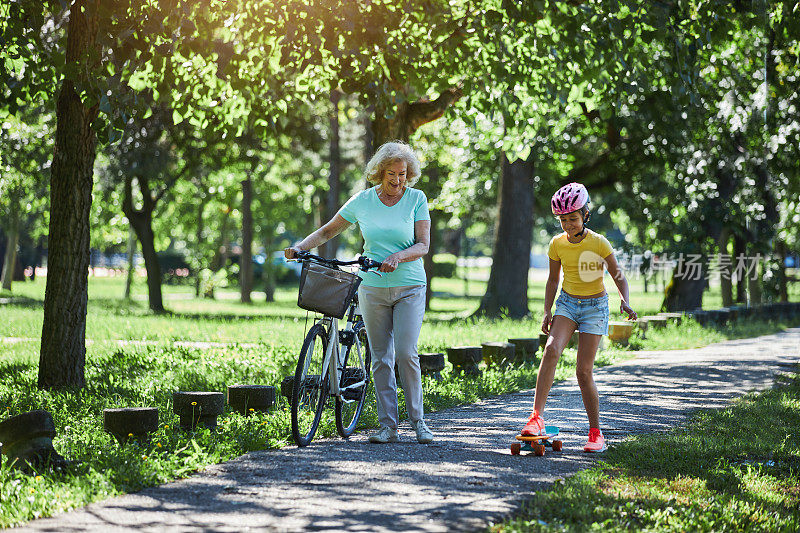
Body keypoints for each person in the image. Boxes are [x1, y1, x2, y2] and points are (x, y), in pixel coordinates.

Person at [285, 140, 433, 444]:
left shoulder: (416, 199)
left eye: (403, 174)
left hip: (409, 286)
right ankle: (387, 426)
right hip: (373, 286)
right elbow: (328, 230)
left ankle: (418, 422)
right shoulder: (363, 200)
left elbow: (423, 245)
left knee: (405, 353)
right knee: (380, 358)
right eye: (392, 174)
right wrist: (300, 247)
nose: (397, 180)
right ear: (380, 172)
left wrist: (398, 257)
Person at [521, 182, 637, 452]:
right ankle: (536, 418)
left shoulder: (599, 242)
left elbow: (617, 274)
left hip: (595, 306)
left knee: (583, 371)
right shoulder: (557, 244)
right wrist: (548, 309)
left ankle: (596, 433)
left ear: (585, 214)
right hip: (568, 303)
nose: (567, 224)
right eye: (562, 220)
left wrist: (625, 300)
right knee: (551, 350)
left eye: (572, 218)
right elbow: (552, 279)